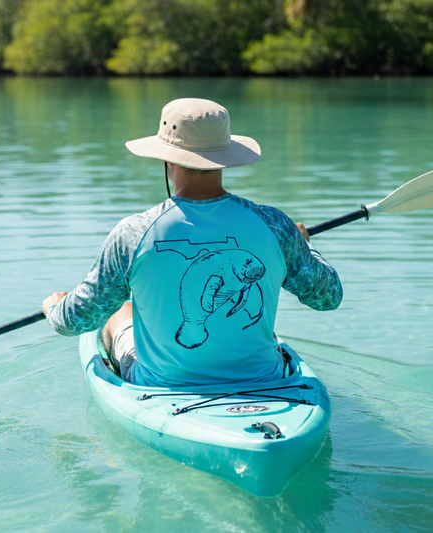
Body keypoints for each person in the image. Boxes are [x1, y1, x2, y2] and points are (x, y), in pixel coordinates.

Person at [42, 98, 343, 387]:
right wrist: (304, 246)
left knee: (119, 310)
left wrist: (54, 307)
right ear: (225, 159)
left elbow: (76, 321)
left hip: (164, 387)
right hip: (265, 382)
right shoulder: (276, 225)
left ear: (167, 160)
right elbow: (328, 297)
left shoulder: (132, 233)